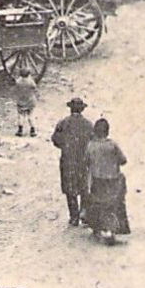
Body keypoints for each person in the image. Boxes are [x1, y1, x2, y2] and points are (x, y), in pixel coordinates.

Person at [84, 118, 131, 244]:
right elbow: (123, 160)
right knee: (113, 204)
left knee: (97, 203)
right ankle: (113, 228)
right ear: (107, 131)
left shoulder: (91, 145)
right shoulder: (112, 145)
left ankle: (97, 227)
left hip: (96, 180)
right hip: (112, 180)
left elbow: (86, 162)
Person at [51, 97, 94, 227]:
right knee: (84, 187)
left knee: (70, 188)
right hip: (83, 161)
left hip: (68, 160)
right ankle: (84, 213)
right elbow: (93, 141)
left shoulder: (63, 123)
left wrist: (66, 147)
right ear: (82, 109)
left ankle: (73, 216)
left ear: (70, 109)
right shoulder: (88, 124)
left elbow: (55, 140)